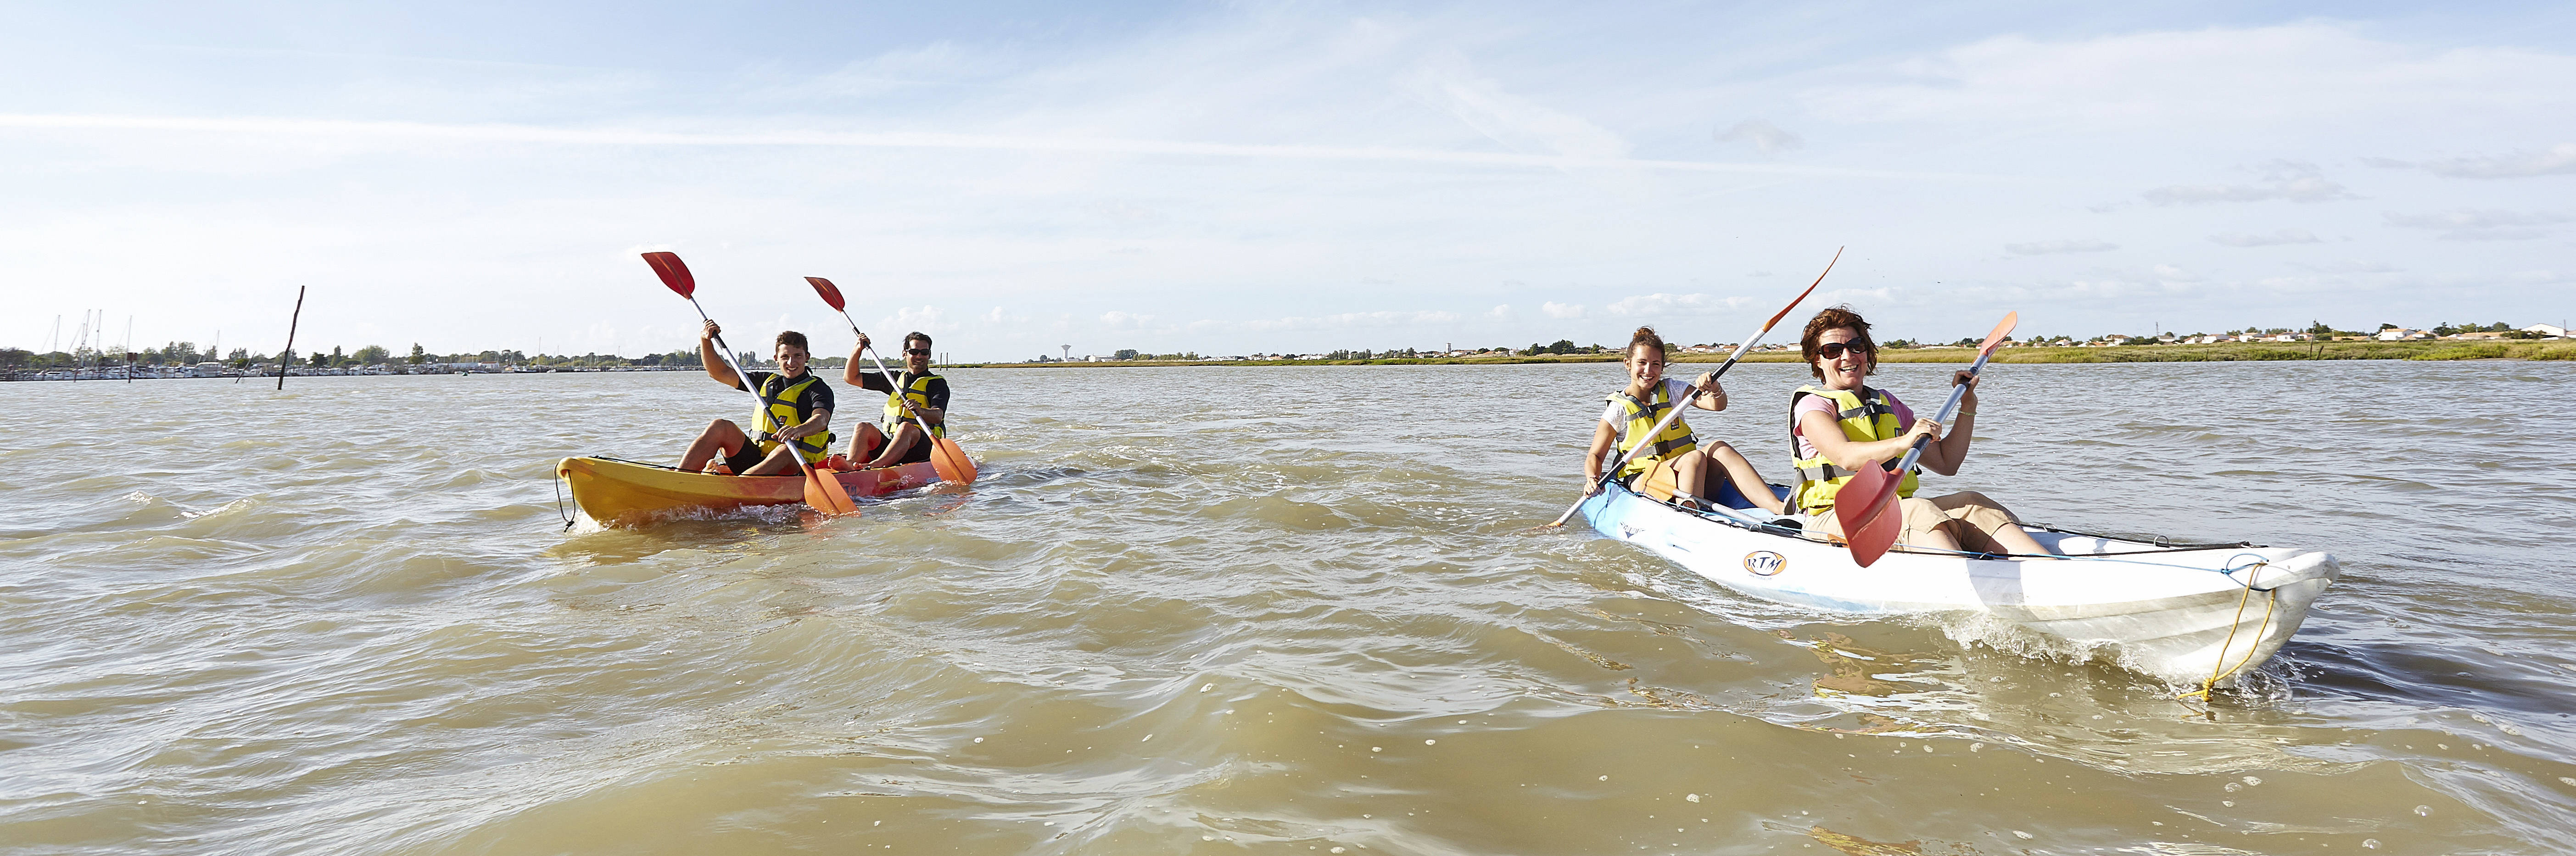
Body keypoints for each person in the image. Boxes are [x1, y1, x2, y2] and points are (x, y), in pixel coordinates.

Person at [1788, 306, 2052, 557]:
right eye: (1833, 350)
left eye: (1856, 347)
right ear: (1818, 360)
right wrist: (1906, 441)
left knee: (1974, 503)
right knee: (1918, 509)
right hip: (1835, 517)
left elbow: (1947, 463)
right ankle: (1959, 579)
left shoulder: (1887, 403)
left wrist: (1968, 405)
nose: (1848, 356)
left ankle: (2046, 570)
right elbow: (1846, 457)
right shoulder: (1813, 405)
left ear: (1867, 353)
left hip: (1892, 510)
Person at [1584, 326, 1784, 513]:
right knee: (1695, 457)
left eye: (1656, 364)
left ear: (1662, 367)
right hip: (1647, 481)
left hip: (1689, 475)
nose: (1648, 371)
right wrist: (1592, 478)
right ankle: (1688, 513)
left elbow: (1717, 405)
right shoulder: (1618, 409)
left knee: (1719, 448)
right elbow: (1595, 455)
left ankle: (1779, 507)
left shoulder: (1674, 390)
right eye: (1642, 363)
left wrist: (1715, 389)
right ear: (1628, 365)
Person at [679, 322, 836, 477]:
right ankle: (680, 478)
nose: (791, 362)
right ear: (776, 358)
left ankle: (739, 487)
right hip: (757, 461)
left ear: (806, 357)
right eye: (785, 357)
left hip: (795, 466)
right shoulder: (766, 381)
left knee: (785, 450)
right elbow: (719, 373)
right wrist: (705, 340)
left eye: (798, 356)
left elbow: (821, 419)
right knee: (720, 426)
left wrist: (797, 430)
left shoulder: (818, 389)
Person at [843, 330, 951, 469]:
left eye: (924, 352)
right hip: (894, 444)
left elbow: (937, 416)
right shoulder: (893, 379)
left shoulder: (937, 384)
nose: (920, 356)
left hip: (922, 448)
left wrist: (921, 411)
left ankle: (877, 466)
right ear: (904, 353)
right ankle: (851, 465)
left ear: (929, 355)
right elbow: (851, 378)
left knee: (906, 427)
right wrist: (858, 350)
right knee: (863, 427)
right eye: (914, 352)